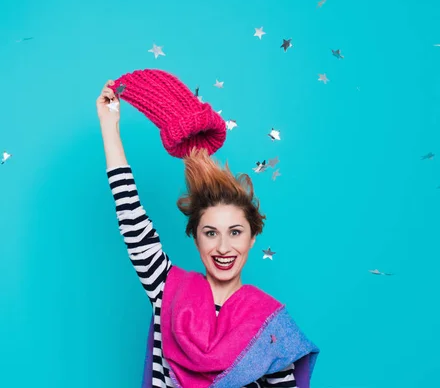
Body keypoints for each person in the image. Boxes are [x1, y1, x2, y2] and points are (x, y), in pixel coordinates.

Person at [96, 80, 319, 388]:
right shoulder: (166, 291)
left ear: (252, 238)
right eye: (211, 232)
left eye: (236, 232)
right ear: (196, 238)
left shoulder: (271, 326)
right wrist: (110, 126)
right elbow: (130, 215)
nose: (224, 247)